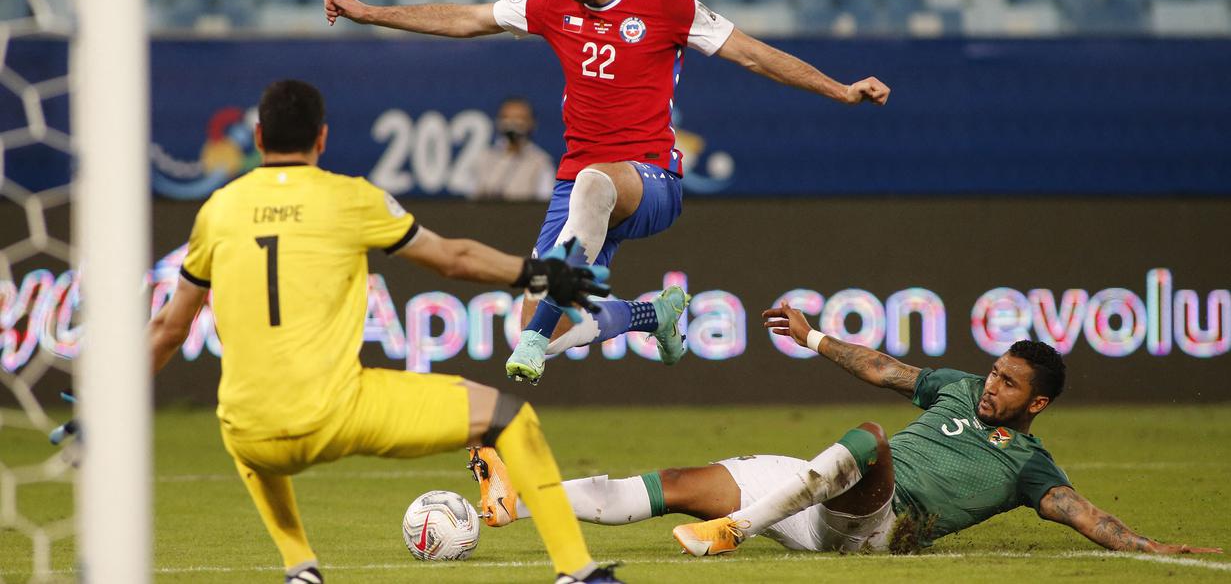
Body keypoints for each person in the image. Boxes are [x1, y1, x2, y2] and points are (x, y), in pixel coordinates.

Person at [323, 0, 891, 385]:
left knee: (593, 194)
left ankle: (538, 337)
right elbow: (467, 19)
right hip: (577, 188)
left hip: (650, 181)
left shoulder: (666, 5)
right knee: (533, 313)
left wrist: (839, 88)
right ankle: (652, 315)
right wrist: (371, 13)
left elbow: (752, 55)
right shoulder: (548, 3)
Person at [147, 80, 623, 584]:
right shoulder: (350, 197)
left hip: (250, 431)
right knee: (512, 419)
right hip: (340, 411)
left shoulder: (216, 211)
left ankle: (299, 566)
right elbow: (452, 260)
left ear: (259, 137)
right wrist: (540, 273)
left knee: (247, 426)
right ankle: (578, 572)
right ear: (322, 138)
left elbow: (167, 329)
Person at [465, 302, 1222, 558]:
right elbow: (883, 368)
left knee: (869, 437)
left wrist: (1155, 550)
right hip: (818, 488)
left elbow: (1086, 517)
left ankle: (735, 530)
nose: (990, 386)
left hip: (881, 523)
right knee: (674, 484)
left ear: (1037, 404)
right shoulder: (956, 387)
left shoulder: (1028, 465)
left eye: (1007, 384)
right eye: (992, 373)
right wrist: (813, 337)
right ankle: (517, 501)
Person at [468, 96, 556, 202]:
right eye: (506, 118)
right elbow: (471, 199)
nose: (512, 124)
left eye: (520, 118)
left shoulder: (541, 162)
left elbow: (545, 204)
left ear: (531, 123)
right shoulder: (483, 158)